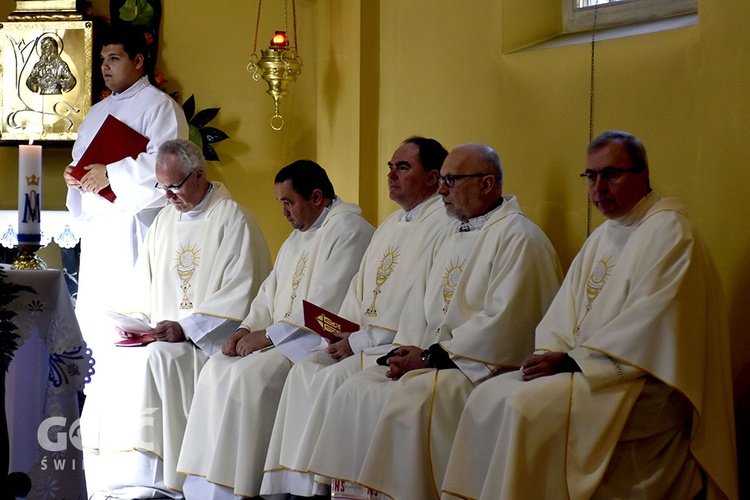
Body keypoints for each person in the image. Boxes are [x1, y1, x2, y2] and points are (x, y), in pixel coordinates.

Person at [441, 131, 738, 499]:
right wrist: (552, 352)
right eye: (591, 176)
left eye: (611, 174)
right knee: (488, 397)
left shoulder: (671, 233)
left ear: (643, 175)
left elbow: (652, 325)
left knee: (523, 408)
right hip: (590, 371)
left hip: (643, 383)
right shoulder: (604, 235)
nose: (599, 187)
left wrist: (570, 362)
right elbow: (563, 313)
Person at [306, 143, 562, 500]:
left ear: (487, 184)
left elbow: (505, 325)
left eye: (451, 180)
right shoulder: (453, 235)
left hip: (477, 367)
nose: (442, 190)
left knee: (414, 397)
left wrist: (428, 358)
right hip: (436, 359)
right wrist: (406, 352)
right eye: (442, 180)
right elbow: (417, 307)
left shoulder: (519, 238)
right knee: (357, 387)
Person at [261, 137, 459, 498]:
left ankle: (324, 484)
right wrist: (340, 337)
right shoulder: (389, 224)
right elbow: (357, 291)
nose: (391, 175)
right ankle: (297, 484)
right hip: (359, 339)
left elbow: (412, 302)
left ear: (432, 178)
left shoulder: (443, 225)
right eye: (390, 167)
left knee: (335, 381)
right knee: (307, 368)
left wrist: (356, 342)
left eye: (403, 167)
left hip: (388, 344)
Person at [80, 140, 272, 498]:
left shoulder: (233, 219)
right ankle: (119, 476)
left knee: (157, 360)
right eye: (161, 187)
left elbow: (242, 292)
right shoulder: (165, 221)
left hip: (206, 345)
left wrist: (184, 328)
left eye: (174, 187)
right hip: (165, 338)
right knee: (120, 357)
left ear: (199, 176)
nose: (167, 197)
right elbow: (143, 284)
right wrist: (138, 324)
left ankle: (161, 479)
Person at [177, 160, 375, 499]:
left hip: (314, 338)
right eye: (280, 203)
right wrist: (246, 328)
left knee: (251, 376)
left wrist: (267, 337)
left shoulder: (349, 231)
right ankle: (207, 485)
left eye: (288, 202)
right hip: (281, 336)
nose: (283, 211)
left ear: (316, 197)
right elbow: (269, 292)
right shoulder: (299, 235)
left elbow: (327, 303)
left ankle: (248, 485)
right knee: (216, 368)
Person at [62, 27, 188, 356]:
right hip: (99, 228)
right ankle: (97, 399)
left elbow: (168, 165)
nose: (105, 66)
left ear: (138, 61)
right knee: (95, 319)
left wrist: (112, 174)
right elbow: (83, 159)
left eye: (114, 58)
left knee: (130, 317)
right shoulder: (97, 112)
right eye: (103, 59)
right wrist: (74, 175)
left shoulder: (160, 107)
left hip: (135, 227)